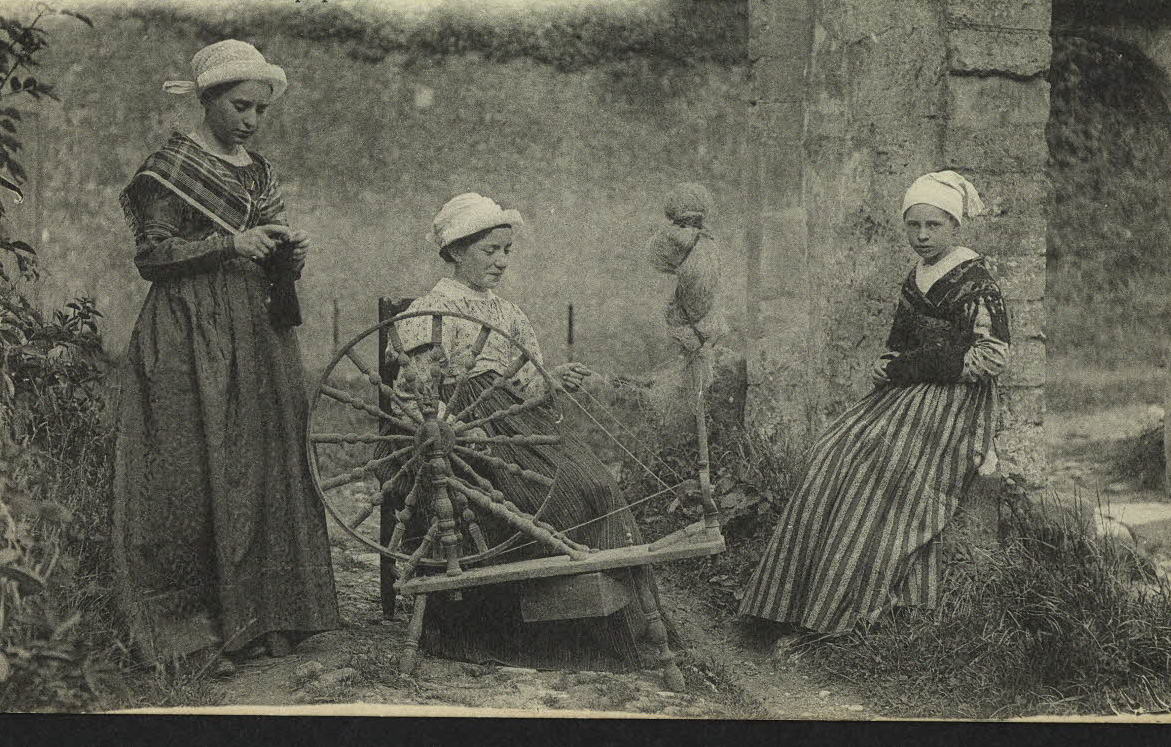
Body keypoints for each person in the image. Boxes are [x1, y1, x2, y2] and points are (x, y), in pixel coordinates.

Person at [112, 40, 338, 674]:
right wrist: (229, 243)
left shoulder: (259, 170)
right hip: (188, 332)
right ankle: (196, 633)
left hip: (257, 332)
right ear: (208, 100)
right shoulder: (170, 168)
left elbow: (266, 247)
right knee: (194, 471)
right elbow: (152, 257)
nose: (251, 121)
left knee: (264, 464)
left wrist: (286, 253)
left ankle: (269, 620)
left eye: (261, 111)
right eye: (240, 107)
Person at [380, 192, 674, 670]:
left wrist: (551, 378)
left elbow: (524, 380)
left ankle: (617, 621)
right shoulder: (429, 310)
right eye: (488, 251)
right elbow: (414, 393)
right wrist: (449, 426)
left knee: (599, 483)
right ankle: (553, 633)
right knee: (566, 494)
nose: (500, 262)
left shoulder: (508, 312)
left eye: (506, 252)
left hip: (518, 426)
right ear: (455, 252)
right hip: (470, 439)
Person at [738, 171, 1010, 633]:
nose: (922, 236)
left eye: (934, 226)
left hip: (957, 401)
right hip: (908, 391)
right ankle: (791, 601)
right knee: (833, 450)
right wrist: (887, 366)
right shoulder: (917, 276)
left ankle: (850, 609)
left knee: (885, 461)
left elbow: (992, 357)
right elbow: (897, 344)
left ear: (955, 227)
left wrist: (916, 368)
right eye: (913, 226)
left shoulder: (975, 280)